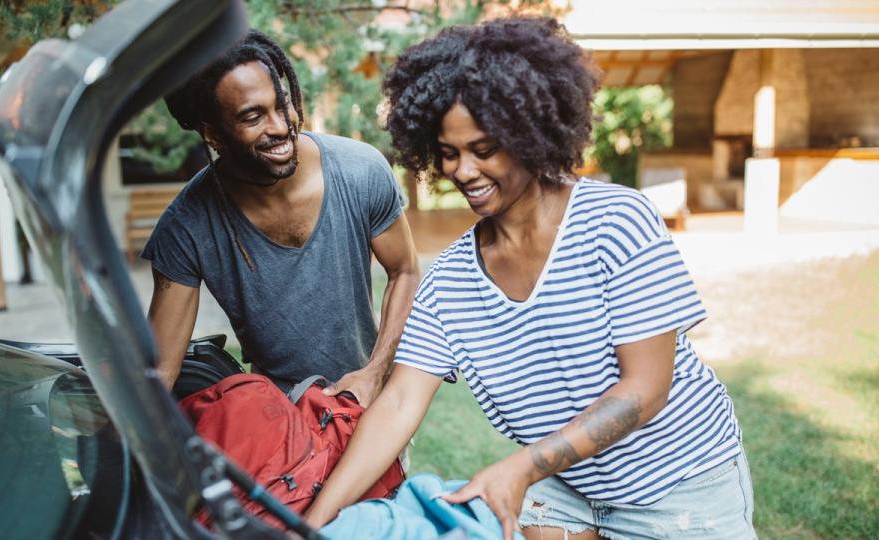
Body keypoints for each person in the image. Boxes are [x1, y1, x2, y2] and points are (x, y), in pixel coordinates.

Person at [305, 18, 756, 540]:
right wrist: (310, 525)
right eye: (449, 153)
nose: (464, 171)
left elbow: (645, 390)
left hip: (679, 484)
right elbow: (400, 402)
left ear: (528, 133)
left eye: (484, 148)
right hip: (567, 488)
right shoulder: (450, 280)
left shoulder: (615, 222)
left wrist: (521, 467)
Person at [143, 31, 420, 406]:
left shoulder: (361, 171)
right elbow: (159, 372)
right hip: (277, 424)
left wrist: (375, 373)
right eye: (253, 116)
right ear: (213, 134)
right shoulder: (186, 226)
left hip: (369, 406)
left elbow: (405, 271)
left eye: (282, 103)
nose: (280, 126)